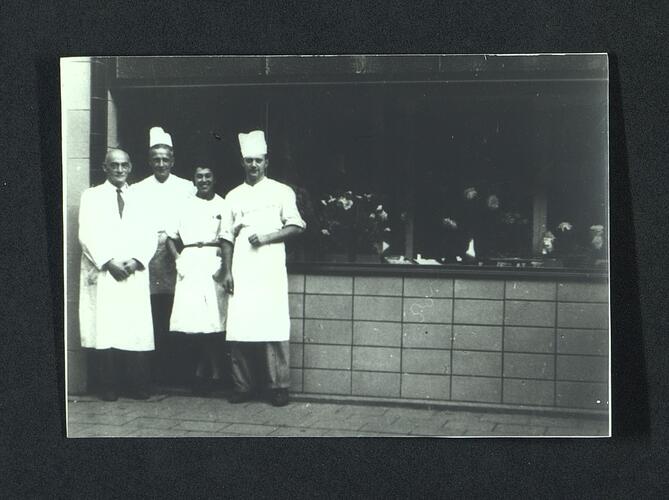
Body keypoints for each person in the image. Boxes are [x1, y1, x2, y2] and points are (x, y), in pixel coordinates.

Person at [220, 130, 305, 407]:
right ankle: (243, 386)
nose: (253, 165)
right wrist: (228, 271)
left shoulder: (282, 191)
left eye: (258, 160)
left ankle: (278, 386)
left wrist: (267, 237)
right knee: (240, 326)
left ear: (266, 162)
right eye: (248, 160)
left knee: (273, 325)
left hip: (269, 268)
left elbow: (296, 226)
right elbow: (226, 237)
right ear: (242, 163)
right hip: (242, 267)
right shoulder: (233, 196)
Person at [78, 149, 157, 401]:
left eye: (124, 165)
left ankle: (137, 385)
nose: (120, 170)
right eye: (114, 165)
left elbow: (150, 234)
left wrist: (136, 261)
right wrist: (108, 262)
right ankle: (109, 386)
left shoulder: (142, 197)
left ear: (131, 167)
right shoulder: (91, 196)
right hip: (106, 272)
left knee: (134, 327)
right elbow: (86, 234)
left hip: (133, 271)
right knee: (107, 327)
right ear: (105, 168)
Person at [132, 127, 195, 386]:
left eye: (165, 159)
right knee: (152, 313)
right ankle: (155, 373)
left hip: (176, 254)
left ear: (173, 161)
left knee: (177, 312)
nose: (160, 164)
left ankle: (178, 373)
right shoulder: (137, 189)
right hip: (148, 256)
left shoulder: (186, 187)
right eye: (156, 159)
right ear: (149, 161)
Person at [165, 166, 229, 395]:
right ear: (194, 179)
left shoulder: (223, 204)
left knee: (214, 320)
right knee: (194, 322)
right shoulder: (184, 204)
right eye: (199, 176)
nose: (203, 180)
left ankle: (212, 372)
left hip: (213, 261)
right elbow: (170, 237)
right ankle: (204, 371)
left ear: (214, 178)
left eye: (208, 176)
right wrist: (178, 258)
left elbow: (227, 238)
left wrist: (223, 263)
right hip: (190, 261)